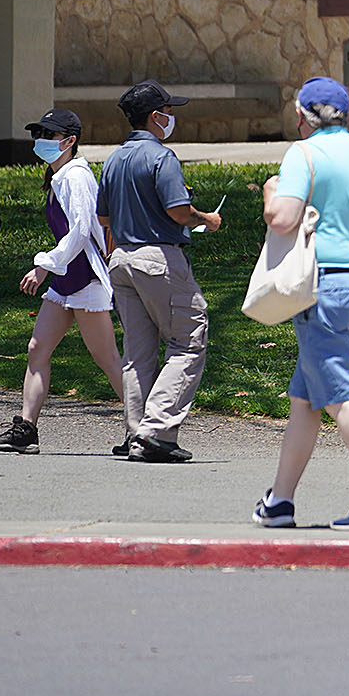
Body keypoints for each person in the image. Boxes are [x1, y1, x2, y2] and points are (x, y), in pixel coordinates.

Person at [254, 77, 349, 529]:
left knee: (340, 394)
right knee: (306, 398)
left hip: (322, 287)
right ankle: (279, 501)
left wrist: (270, 191)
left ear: (301, 115)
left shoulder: (302, 154)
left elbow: (281, 219)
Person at [98, 79, 221, 463]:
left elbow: (103, 217)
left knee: (137, 353)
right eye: (168, 111)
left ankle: (137, 433)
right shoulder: (161, 157)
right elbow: (178, 211)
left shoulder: (113, 159)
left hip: (121, 260)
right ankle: (156, 431)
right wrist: (206, 219)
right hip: (159, 260)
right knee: (188, 341)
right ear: (155, 117)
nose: (171, 117)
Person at [0, 109, 123, 455]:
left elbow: (80, 231)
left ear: (70, 141)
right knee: (37, 349)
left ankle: (147, 428)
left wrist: (45, 266)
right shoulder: (60, 175)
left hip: (85, 279)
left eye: (49, 134)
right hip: (67, 279)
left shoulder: (76, 177)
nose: (41, 140)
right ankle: (26, 429)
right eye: (39, 134)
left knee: (106, 357)